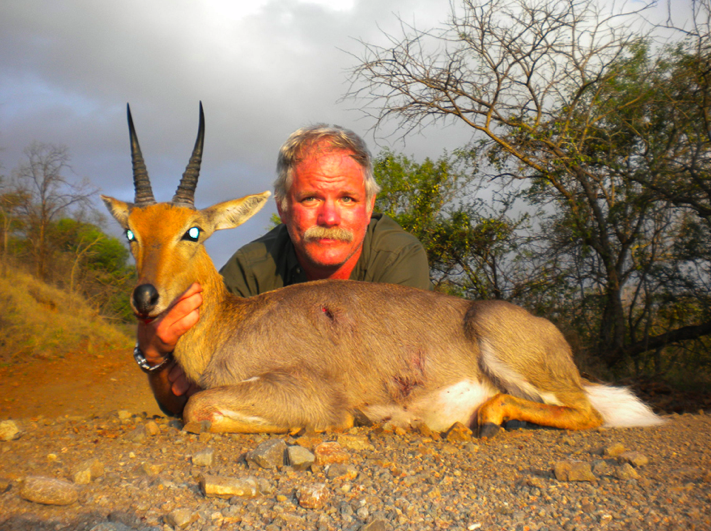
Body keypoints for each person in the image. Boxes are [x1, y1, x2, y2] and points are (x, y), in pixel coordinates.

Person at [135, 124, 431, 416]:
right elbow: (190, 395)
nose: (329, 218)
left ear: (369, 207)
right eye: (310, 198)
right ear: (282, 207)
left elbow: (408, 378)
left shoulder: (398, 257)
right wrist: (153, 357)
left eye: (347, 199)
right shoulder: (252, 268)